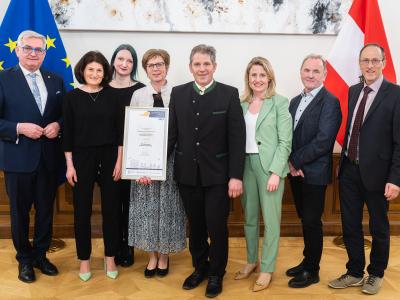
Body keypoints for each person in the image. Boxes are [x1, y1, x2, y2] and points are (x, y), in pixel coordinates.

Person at [168, 44, 246, 298]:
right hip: (187, 174)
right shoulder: (178, 94)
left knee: (216, 227)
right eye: (197, 64)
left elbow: (237, 139)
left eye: (206, 64)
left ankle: (216, 273)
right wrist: (150, 164)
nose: (202, 68)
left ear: (215, 66)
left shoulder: (229, 94)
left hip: (218, 177)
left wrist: (236, 176)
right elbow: (171, 135)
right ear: (191, 67)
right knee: (196, 226)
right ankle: (199, 268)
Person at [329, 43, 400, 295]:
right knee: (350, 225)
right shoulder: (353, 90)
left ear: (383, 63)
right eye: (365, 61)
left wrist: (395, 178)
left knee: (378, 227)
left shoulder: (395, 94)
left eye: (374, 60)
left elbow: (399, 142)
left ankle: (376, 274)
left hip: (379, 176)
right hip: (349, 170)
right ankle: (355, 271)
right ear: (359, 64)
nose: (369, 65)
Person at [0, 30, 65, 283]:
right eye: (28, 48)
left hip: (49, 160)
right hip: (18, 159)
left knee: (46, 212)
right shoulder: (4, 79)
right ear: (17, 49)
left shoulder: (56, 80)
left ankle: (40, 255)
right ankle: (24, 260)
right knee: (19, 213)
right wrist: (18, 128)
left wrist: (58, 126)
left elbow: (64, 115)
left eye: (38, 49)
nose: (33, 54)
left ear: (45, 53)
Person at [63, 51, 123, 281]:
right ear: (83, 71)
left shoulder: (113, 97)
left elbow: (120, 133)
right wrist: (69, 165)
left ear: (105, 72)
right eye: (91, 69)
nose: (95, 73)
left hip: (110, 157)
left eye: (99, 70)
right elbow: (67, 134)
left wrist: (119, 161)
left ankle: (110, 258)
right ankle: (85, 260)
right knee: (82, 212)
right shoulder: (71, 98)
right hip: (81, 158)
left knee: (111, 211)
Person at [234, 57, 292, 291]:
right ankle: (251, 261)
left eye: (261, 75)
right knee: (249, 218)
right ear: (248, 78)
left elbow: (285, 141)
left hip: (269, 168)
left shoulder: (279, 102)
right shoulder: (241, 103)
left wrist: (276, 172)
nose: (257, 79)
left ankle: (267, 268)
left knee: (270, 221)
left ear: (269, 77)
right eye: (253, 75)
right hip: (244, 165)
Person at [128, 49, 186, 278]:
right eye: (151, 65)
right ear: (145, 69)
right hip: (144, 161)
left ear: (167, 67)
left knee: (169, 208)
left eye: (160, 64)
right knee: (148, 208)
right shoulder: (138, 95)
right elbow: (132, 132)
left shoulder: (179, 94)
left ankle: (165, 254)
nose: (156, 68)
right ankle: (152, 254)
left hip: (172, 160)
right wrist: (138, 167)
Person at [286, 54, 341, 288]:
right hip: (295, 172)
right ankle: (306, 261)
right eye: (307, 70)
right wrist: (290, 162)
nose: (310, 75)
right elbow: (287, 135)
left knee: (312, 221)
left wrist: (295, 161)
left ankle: (313, 270)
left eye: (316, 71)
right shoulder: (294, 101)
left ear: (324, 75)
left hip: (314, 173)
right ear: (300, 72)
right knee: (304, 219)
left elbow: (323, 141)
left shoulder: (330, 102)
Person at [109, 44, 145, 267]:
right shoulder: (102, 87)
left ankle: (128, 247)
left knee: (131, 204)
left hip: (136, 155)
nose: (124, 64)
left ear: (134, 65)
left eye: (129, 61)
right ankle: (114, 247)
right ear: (113, 61)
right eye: (121, 59)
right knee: (112, 205)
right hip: (108, 155)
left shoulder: (142, 89)